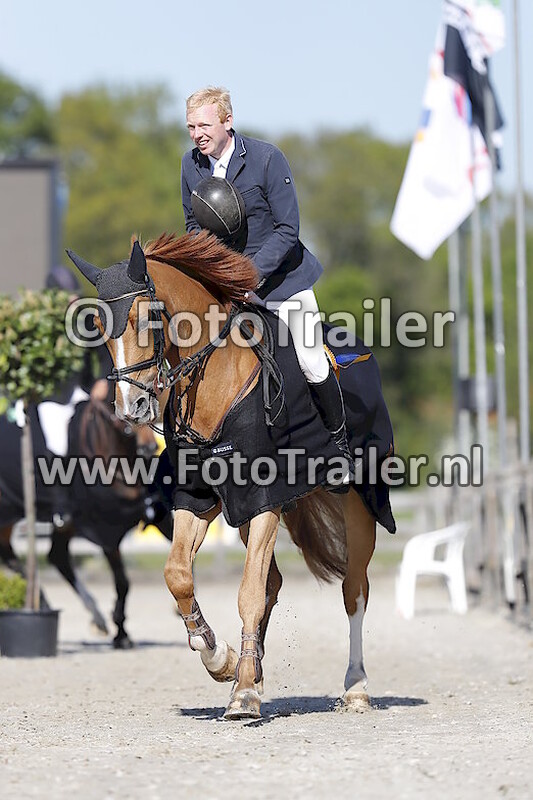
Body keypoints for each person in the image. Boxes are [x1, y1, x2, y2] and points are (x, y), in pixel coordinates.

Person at [181, 86, 354, 483]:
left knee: (310, 360)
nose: (197, 135)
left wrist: (251, 275)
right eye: (190, 127)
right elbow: (193, 226)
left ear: (228, 121)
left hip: (282, 282)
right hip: (227, 287)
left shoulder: (267, 158)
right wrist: (212, 274)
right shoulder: (190, 164)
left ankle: (338, 448)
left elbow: (288, 229)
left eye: (204, 126)